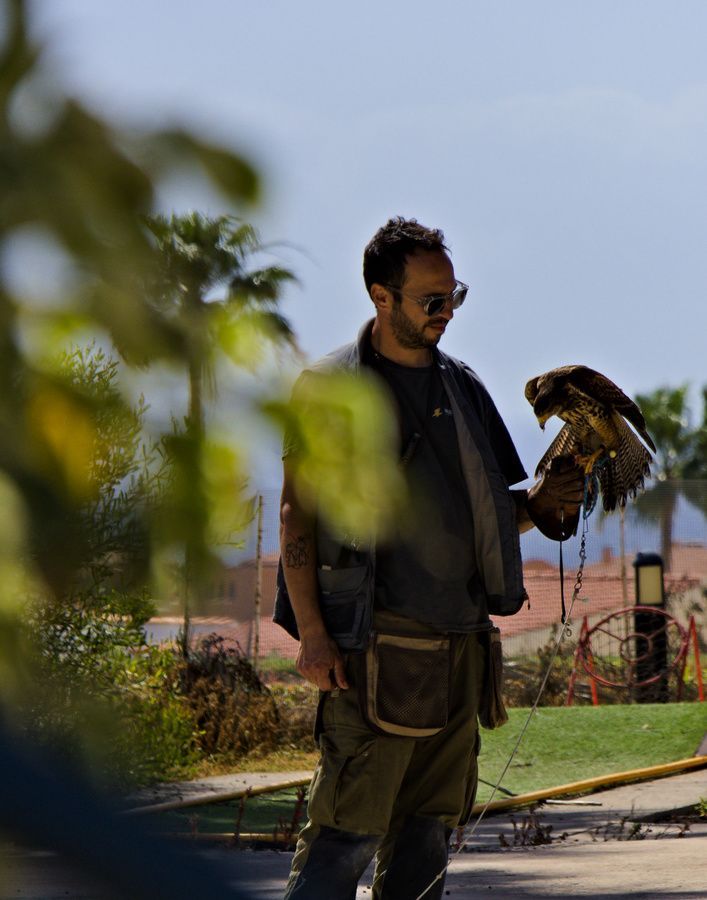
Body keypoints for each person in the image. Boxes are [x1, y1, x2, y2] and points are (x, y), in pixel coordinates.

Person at [277, 217, 584, 899]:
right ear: (380, 297)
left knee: (425, 844)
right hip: (370, 653)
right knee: (343, 841)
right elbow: (298, 515)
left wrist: (542, 501)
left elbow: (490, 520)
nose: (447, 312)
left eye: (454, 296)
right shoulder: (329, 389)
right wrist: (314, 636)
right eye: (431, 300)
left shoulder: (462, 388)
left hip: (459, 653)